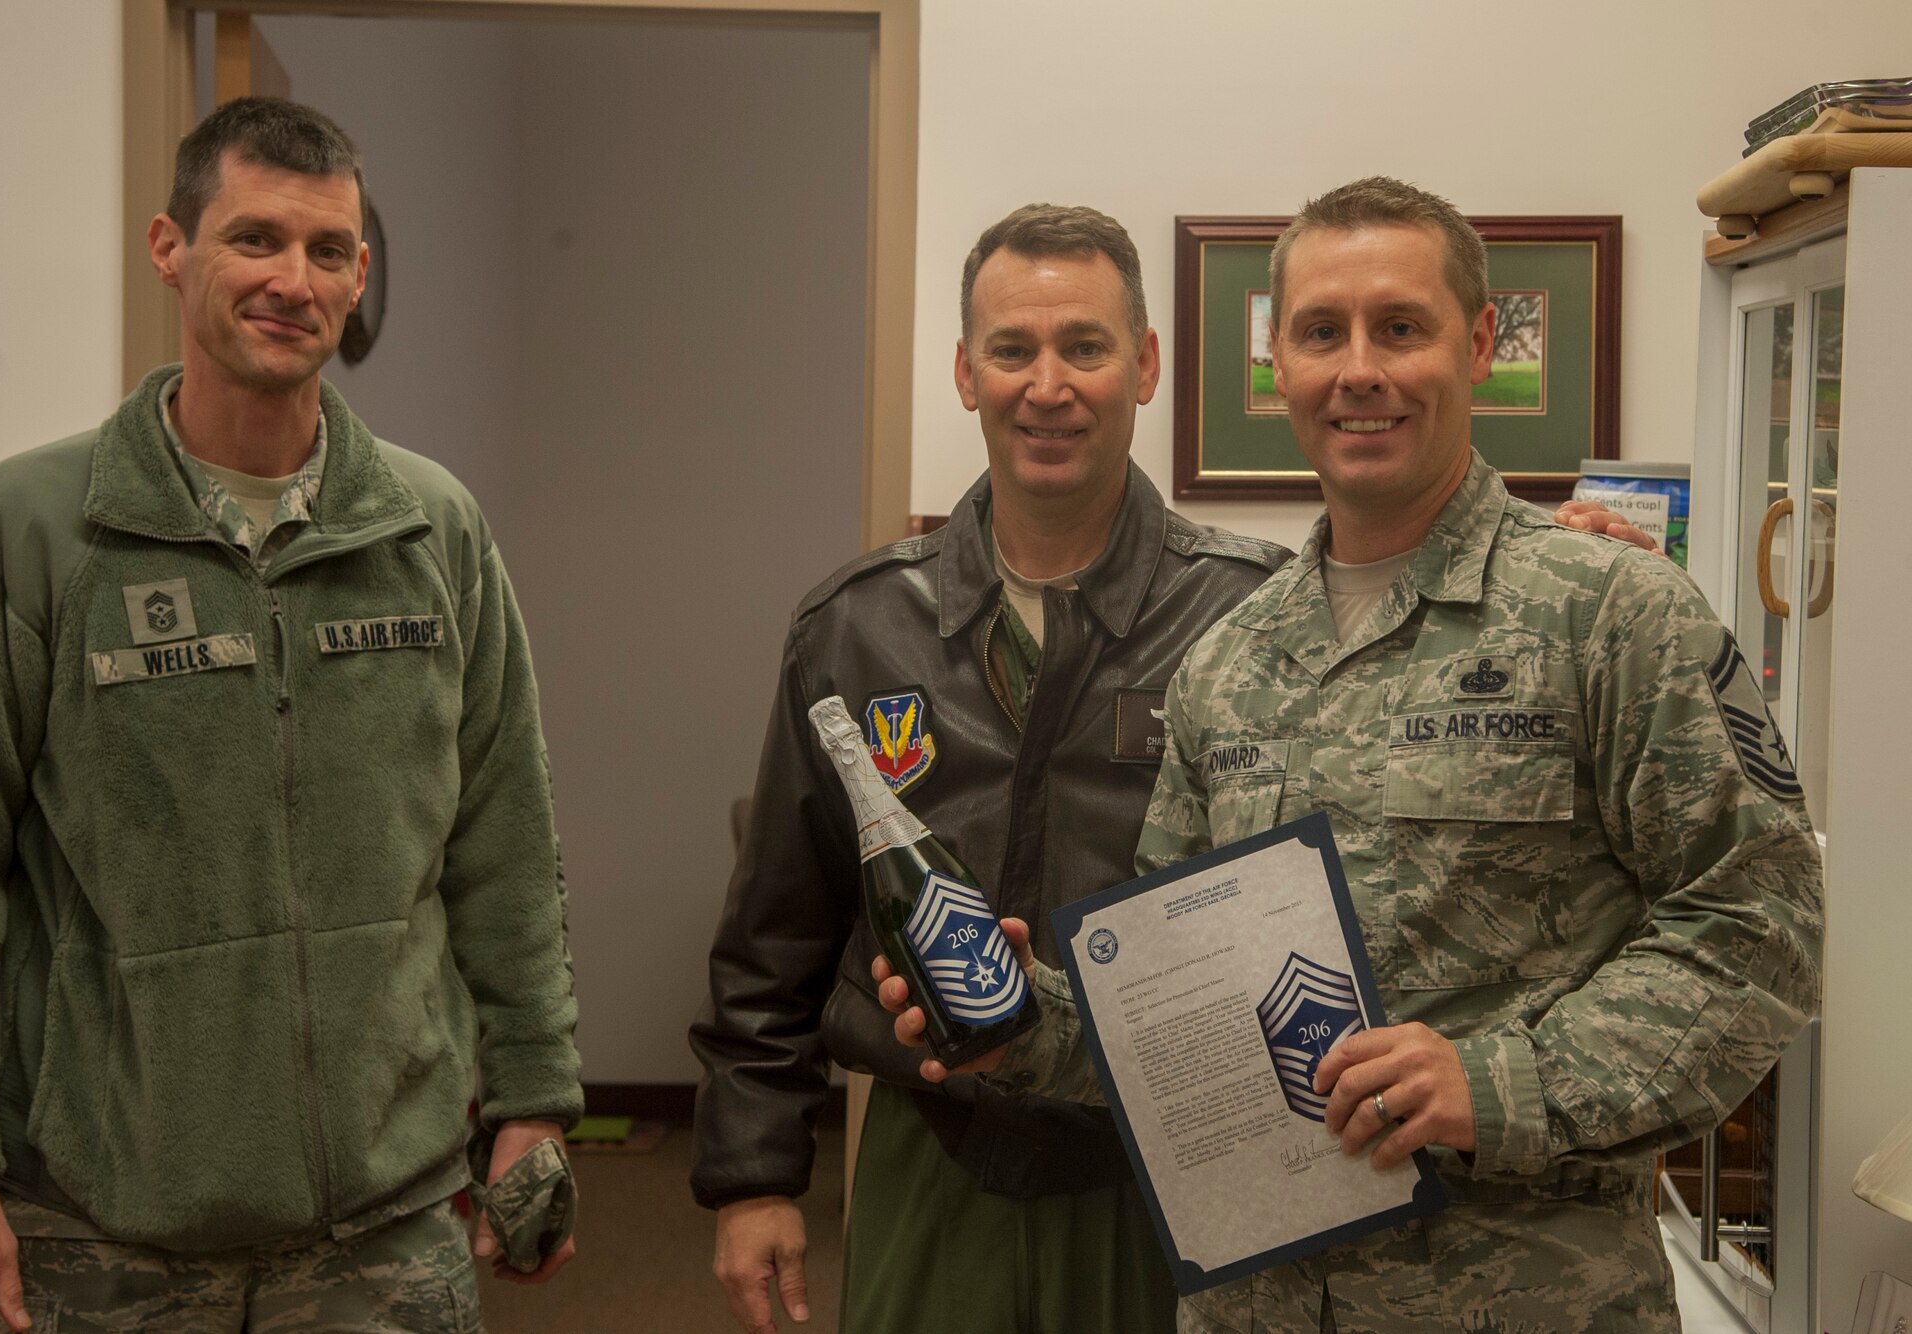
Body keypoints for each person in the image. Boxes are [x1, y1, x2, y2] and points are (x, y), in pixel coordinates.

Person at [688, 199, 1662, 1333]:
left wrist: (1549, 572)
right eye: (1012, 348)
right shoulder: (857, 624)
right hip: (935, 1143)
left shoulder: (1243, 612)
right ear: (965, 371)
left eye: (1084, 347)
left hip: (1183, 1152)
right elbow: (775, 931)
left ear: (1144, 364)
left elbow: (1413, 685)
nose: (1046, 384)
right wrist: (753, 1170)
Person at [879, 177, 1822, 1333]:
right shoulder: (1226, 661)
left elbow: (1759, 926)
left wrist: (1495, 1080)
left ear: (1475, 343)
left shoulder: (1609, 613)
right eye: (1320, 332)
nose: (1357, 368)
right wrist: (1018, 1020)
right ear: (1276, 361)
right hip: (1254, 1306)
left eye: (1400, 326)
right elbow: (1182, 1008)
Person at [0, 97, 582, 1334]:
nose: (293, 278)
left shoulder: (430, 530)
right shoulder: (25, 533)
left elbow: (505, 839)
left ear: (360, 275)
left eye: (328, 250)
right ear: (170, 247)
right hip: (98, 1237)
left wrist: (535, 1098)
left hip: (385, 1236)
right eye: (255, 239)